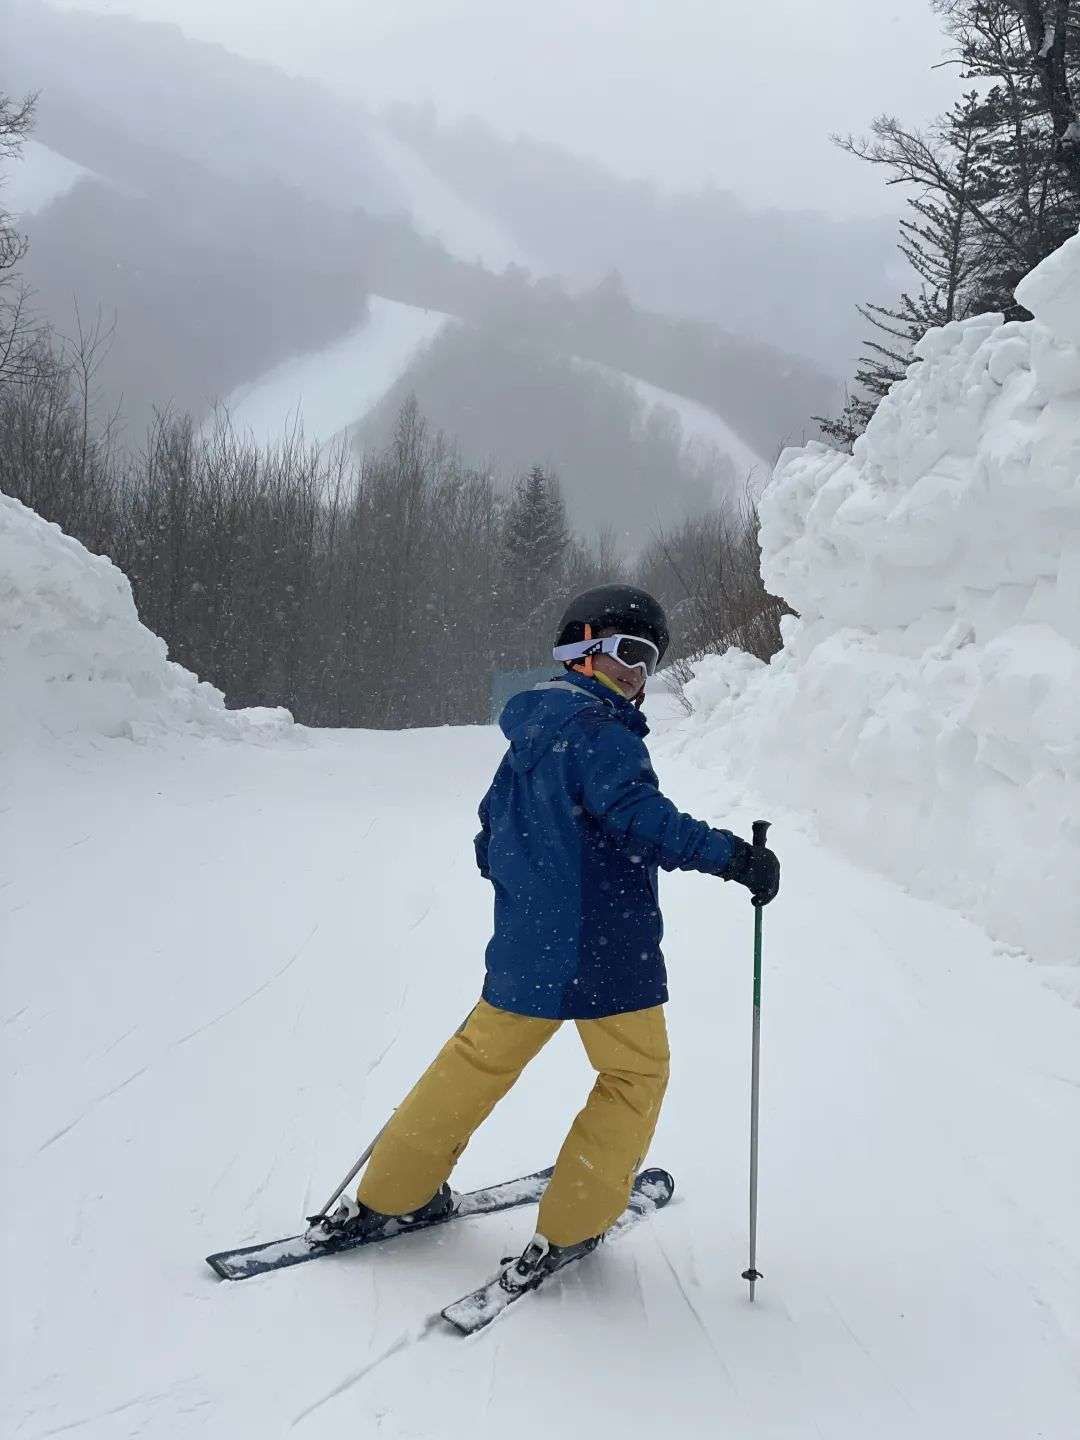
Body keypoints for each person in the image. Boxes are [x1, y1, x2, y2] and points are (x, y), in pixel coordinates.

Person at [313, 584, 780, 1287]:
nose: (637, 672)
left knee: (476, 1063)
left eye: (648, 660)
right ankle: (573, 1225)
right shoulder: (599, 731)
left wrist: (534, 893)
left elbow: (488, 839)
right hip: (605, 949)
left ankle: (392, 1196)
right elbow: (643, 819)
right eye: (628, 652)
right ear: (581, 650)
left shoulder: (530, 735)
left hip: (528, 948)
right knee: (634, 1074)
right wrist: (735, 858)